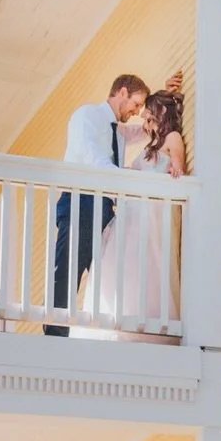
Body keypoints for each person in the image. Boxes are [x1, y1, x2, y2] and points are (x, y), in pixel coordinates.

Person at [42, 74, 148, 336]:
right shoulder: (87, 116)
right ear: (122, 92)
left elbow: (148, 127)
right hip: (81, 200)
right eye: (136, 103)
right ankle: (55, 334)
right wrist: (121, 179)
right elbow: (93, 156)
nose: (136, 111)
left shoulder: (119, 130)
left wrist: (168, 96)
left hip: (103, 208)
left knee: (104, 275)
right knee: (68, 269)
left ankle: (105, 334)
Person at [99, 89, 187, 332]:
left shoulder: (173, 138)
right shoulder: (151, 145)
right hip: (135, 208)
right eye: (145, 120)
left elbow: (178, 164)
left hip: (154, 208)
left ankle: (151, 320)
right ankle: (125, 317)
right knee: (125, 262)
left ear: (162, 114)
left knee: (150, 260)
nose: (147, 125)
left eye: (150, 118)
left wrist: (176, 169)